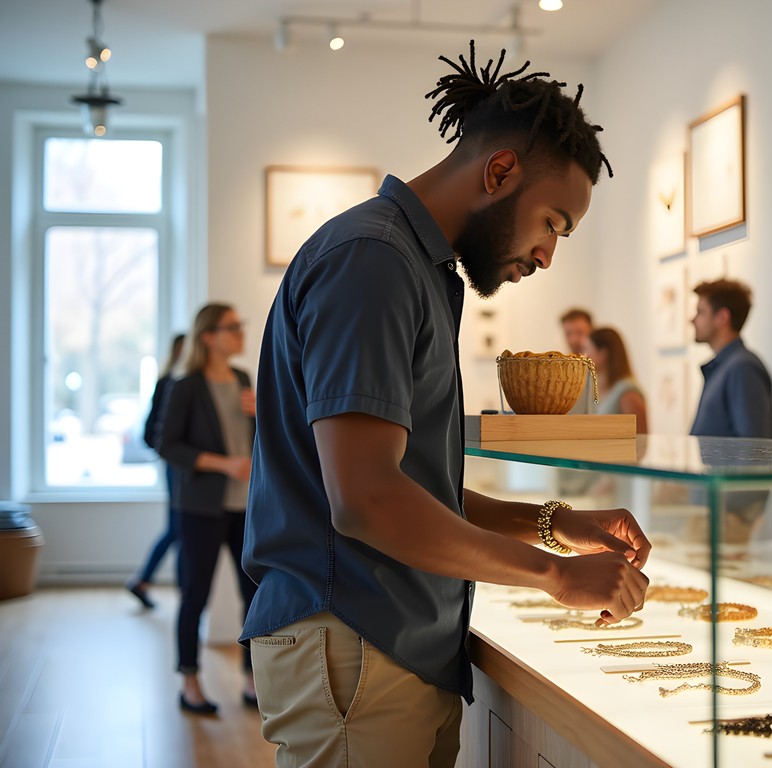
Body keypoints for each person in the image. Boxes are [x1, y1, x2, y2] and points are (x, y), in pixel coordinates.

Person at [241, 41, 651, 767]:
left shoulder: (413, 267)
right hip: (354, 644)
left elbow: (411, 485)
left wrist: (554, 523)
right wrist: (555, 573)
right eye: (553, 222)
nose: (549, 254)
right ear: (500, 171)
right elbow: (365, 499)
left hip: (389, 648)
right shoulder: (373, 261)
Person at [159, 304, 258, 715]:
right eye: (231, 327)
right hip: (200, 507)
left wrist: (263, 412)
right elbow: (167, 445)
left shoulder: (243, 379)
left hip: (246, 506)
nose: (240, 333)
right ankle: (190, 682)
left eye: (240, 325)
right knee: (194, 595)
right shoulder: (186, 386)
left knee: (253, 595)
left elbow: (256, 442)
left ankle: (253, 681)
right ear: (208, 337)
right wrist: (223, 464)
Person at [125, 332, 186, 610]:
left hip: (185, 470)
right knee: (177, 527)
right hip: (178, 468)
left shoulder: (183, 382)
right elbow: (151, 435)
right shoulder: (169, 384)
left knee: (178, 528)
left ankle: (145, 580)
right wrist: (179, 453)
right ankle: (148, 580)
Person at [690, 278, 772, 439]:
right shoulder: (724, 367)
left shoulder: (743, 368)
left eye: (700, 312)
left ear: (722, 317)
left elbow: (752, 449)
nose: (693, 320)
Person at [586, 326, 648, 433]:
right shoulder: (597, 388)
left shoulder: (628, 392)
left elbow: (640, 437)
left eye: (588, 349)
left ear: (603, 353)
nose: (585, 356)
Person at [560, 307, 596, 414]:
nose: (574, 340)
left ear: (593, 332)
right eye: (569, 333)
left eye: (580, 333)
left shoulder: (603, 370)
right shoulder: (561, 372)